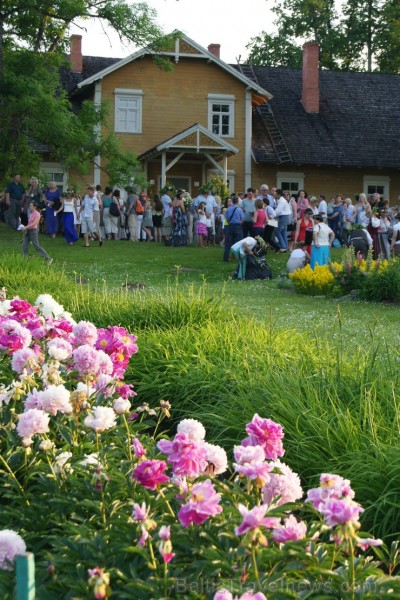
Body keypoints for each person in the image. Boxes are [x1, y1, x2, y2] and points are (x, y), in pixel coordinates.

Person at [223, 196, 244, 261]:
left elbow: (227, 218)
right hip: (238, 226)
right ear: (237, 202)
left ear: (232, 201)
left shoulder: (228, 209)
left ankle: (225, 258)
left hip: (230, 226)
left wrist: (230, 222)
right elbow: (242, 219)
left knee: (228, 243)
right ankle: (237, 258)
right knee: (238, 243)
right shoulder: (239, 209)